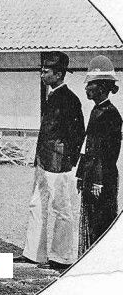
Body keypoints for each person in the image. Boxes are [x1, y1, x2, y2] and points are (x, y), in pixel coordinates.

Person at [14, 51, 85, 271]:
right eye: (42, 70)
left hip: (59, 164)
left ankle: (62, 257)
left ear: (59, 74)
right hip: (44, 162)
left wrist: (69, 161)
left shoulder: (70, 99)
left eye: (46, 71)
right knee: (37, 204)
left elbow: (78, 133)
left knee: (62, 208)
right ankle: (34, 254)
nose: (42, 75)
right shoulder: (52, 96)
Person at [77, 55, 122, 255]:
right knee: (90, 220)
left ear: (102, 88)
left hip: (102, 179)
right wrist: (81, 174)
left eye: (91, 85)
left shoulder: (111, 115)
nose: (87, 89)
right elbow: (89, 147)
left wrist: (97, 181)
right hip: (91, 175)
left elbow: (109, 154)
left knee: (101, 222)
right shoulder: (97, 111)